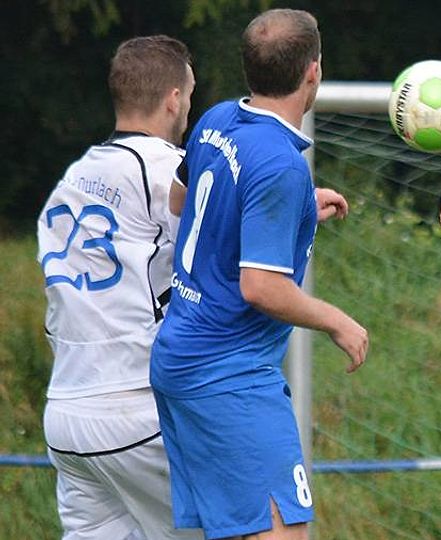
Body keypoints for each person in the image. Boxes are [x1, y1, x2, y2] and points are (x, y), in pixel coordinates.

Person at [149, 9, 369, 540]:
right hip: (228, 374)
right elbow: (261, 287)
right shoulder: (280, 164)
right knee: (282, 534)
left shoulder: (218, 119)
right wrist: (337, 321)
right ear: (313, 70)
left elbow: (182, 201)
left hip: (180, 357)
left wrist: (294, 210)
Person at [36, 35, 201, 539]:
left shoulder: (75, 176)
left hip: (67, 413)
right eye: (190, 95)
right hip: (134, 409)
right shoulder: (166, 170)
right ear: (174, 98)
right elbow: (228, 235)